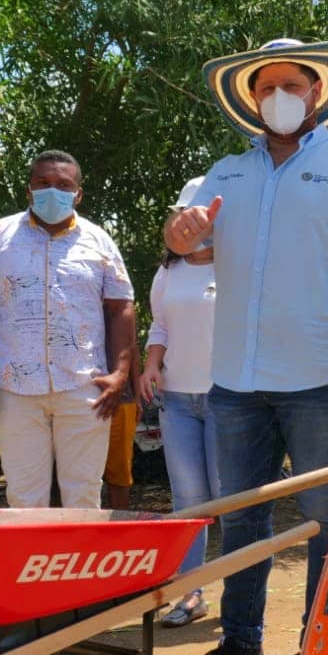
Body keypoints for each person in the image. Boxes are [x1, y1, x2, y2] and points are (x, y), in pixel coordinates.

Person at [163, 38, 328, 655]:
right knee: (240, 520)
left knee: (326, 521)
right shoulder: (226, 173)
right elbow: (191, 239)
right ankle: (239, 650)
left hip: (323, 380)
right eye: (267, 87)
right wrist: (178, 237)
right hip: (236, 380)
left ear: (317, 92)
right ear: (252, 98)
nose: (280, 97)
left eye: (292, 84)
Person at [0, 151, 136, 509]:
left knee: (84, 493)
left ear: (78, 194)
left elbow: (121, 306)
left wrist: (121, 373)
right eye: (43, 184)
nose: (52, 191)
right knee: (24, 496)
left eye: (63, 185)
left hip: (85, 387)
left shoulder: (99, 241)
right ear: (29, 190)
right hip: (17, 387)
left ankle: (79, 566)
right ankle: (32, 565)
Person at [138, 176, 222, 627]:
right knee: (188, 502)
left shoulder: (235, 267)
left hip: (229, 402)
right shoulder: (167, 273)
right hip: (178, 400)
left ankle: (243, 595)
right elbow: (160, 327)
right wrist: (152, 366)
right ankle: (192, 594)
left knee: (232, 499)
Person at [103, 346, 140, 510]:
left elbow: (131, 347)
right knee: (77, 476)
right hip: (76, 397)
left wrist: (137, 397)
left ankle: (120, 532)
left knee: (120, 476)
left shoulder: (121, 318)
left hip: (122, 399)